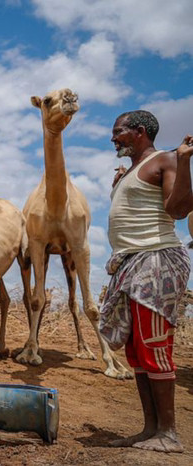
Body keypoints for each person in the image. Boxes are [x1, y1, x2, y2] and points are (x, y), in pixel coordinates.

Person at [101, 110, 193, 453]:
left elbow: (178, 209)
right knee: (136, 350)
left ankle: (169, 434)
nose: (113, 139)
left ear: (139, 131)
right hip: (131, 264)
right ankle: (150, 429)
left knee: (154, 344)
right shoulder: (132, 171)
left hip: (156, 262)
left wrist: (183, 163)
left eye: (119, 132)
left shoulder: (166, 160)